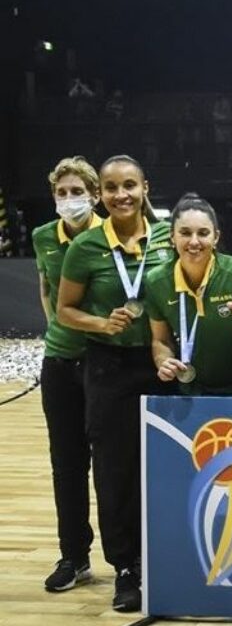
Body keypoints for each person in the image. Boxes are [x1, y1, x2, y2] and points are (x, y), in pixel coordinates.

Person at [57, 155, 173, 612]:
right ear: (100, 194)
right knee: (115, 469)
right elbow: (65, 309)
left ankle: (166, 558)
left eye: (129, 185)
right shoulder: (85, 246)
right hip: (108, 366)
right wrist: (102, 325)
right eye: (111, 188)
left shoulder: (168, 235)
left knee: (163, 465)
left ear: (145, 186)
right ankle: (126, 567)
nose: (121, 195)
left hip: (161, 361)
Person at [32, 156, 102, 593]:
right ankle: (73, 556)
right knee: (67, 464)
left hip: (104, 362)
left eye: (78, 192)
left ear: (95, 195)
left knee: (113, 465)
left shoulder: (110, 235)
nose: (70, 200)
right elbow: (46, 289)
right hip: (60, 362)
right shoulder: (43, 237)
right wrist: (57, 331)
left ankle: (130, 556)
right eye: (63, 192)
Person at [144, 193, 232, 396]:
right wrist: (163, 361)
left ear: (216, 237)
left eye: (203, 233)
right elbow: (160, 340)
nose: (194, 242)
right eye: (185, 233)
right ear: (172, 237)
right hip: (195, 388)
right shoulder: (156, 281)